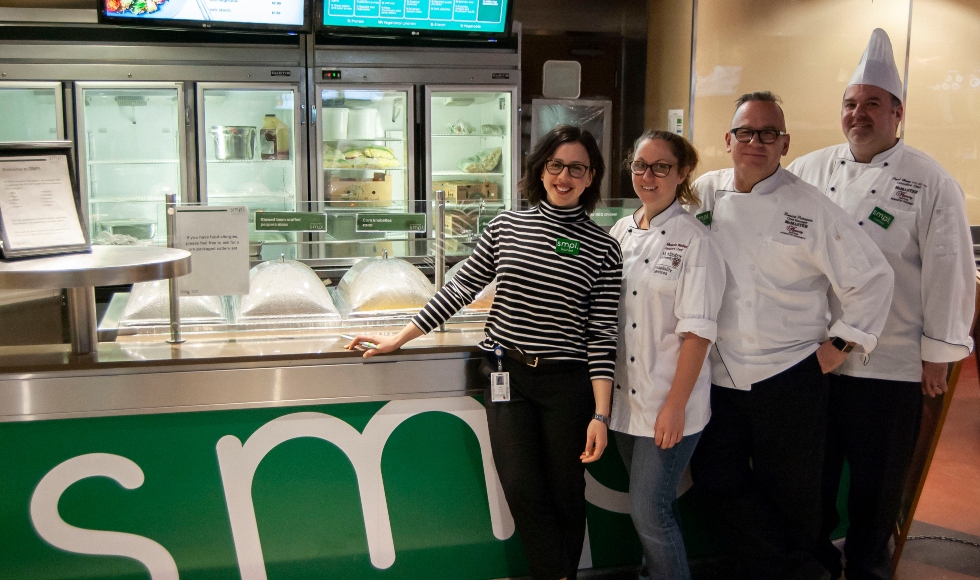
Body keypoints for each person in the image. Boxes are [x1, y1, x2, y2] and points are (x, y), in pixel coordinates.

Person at [346, 125, 623, 580]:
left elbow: (600, 334)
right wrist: (400, 336)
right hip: (506, 374)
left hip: (566, 383)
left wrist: (600, 414)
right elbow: (459, 287)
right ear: (541, 169)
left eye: (578, 167)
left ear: (591, 177)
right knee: (521, 488)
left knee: (566, 493)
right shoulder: (506, 227)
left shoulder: (603, 247)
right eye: (556, 165)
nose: (565, 176)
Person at [787, 29, 976, 580]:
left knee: (877, 478)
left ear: (897, 112)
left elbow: (949, 272)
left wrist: (939, 353)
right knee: (815, 473)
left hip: (889, 361)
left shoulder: (931, 181)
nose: (858, 113)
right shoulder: (811, 170)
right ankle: (819, 560)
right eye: (850, 103)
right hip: (817, 355)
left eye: (872, 103)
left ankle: (868, 566)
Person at [687, 91, 894, 580]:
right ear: (728, 139)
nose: (755, 142)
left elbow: (873, 278)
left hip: (789, 374)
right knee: (716, 481)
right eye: (745, 132)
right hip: (717, 373)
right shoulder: (703, 193)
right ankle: (787, 569)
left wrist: (838, 345)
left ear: (784, 144)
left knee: (794, 492)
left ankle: (795, 570)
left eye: (768, 134)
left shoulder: (810, 206)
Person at [609, 130, 725, 580]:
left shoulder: (695, 240)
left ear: (681, 174)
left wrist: (675, 405)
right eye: (641, 165)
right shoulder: (621, 230)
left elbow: (697, 334)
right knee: (649, 510)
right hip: (625, 399)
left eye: (661, 167)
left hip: (669, 401)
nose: (649, 175)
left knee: (650, 511)